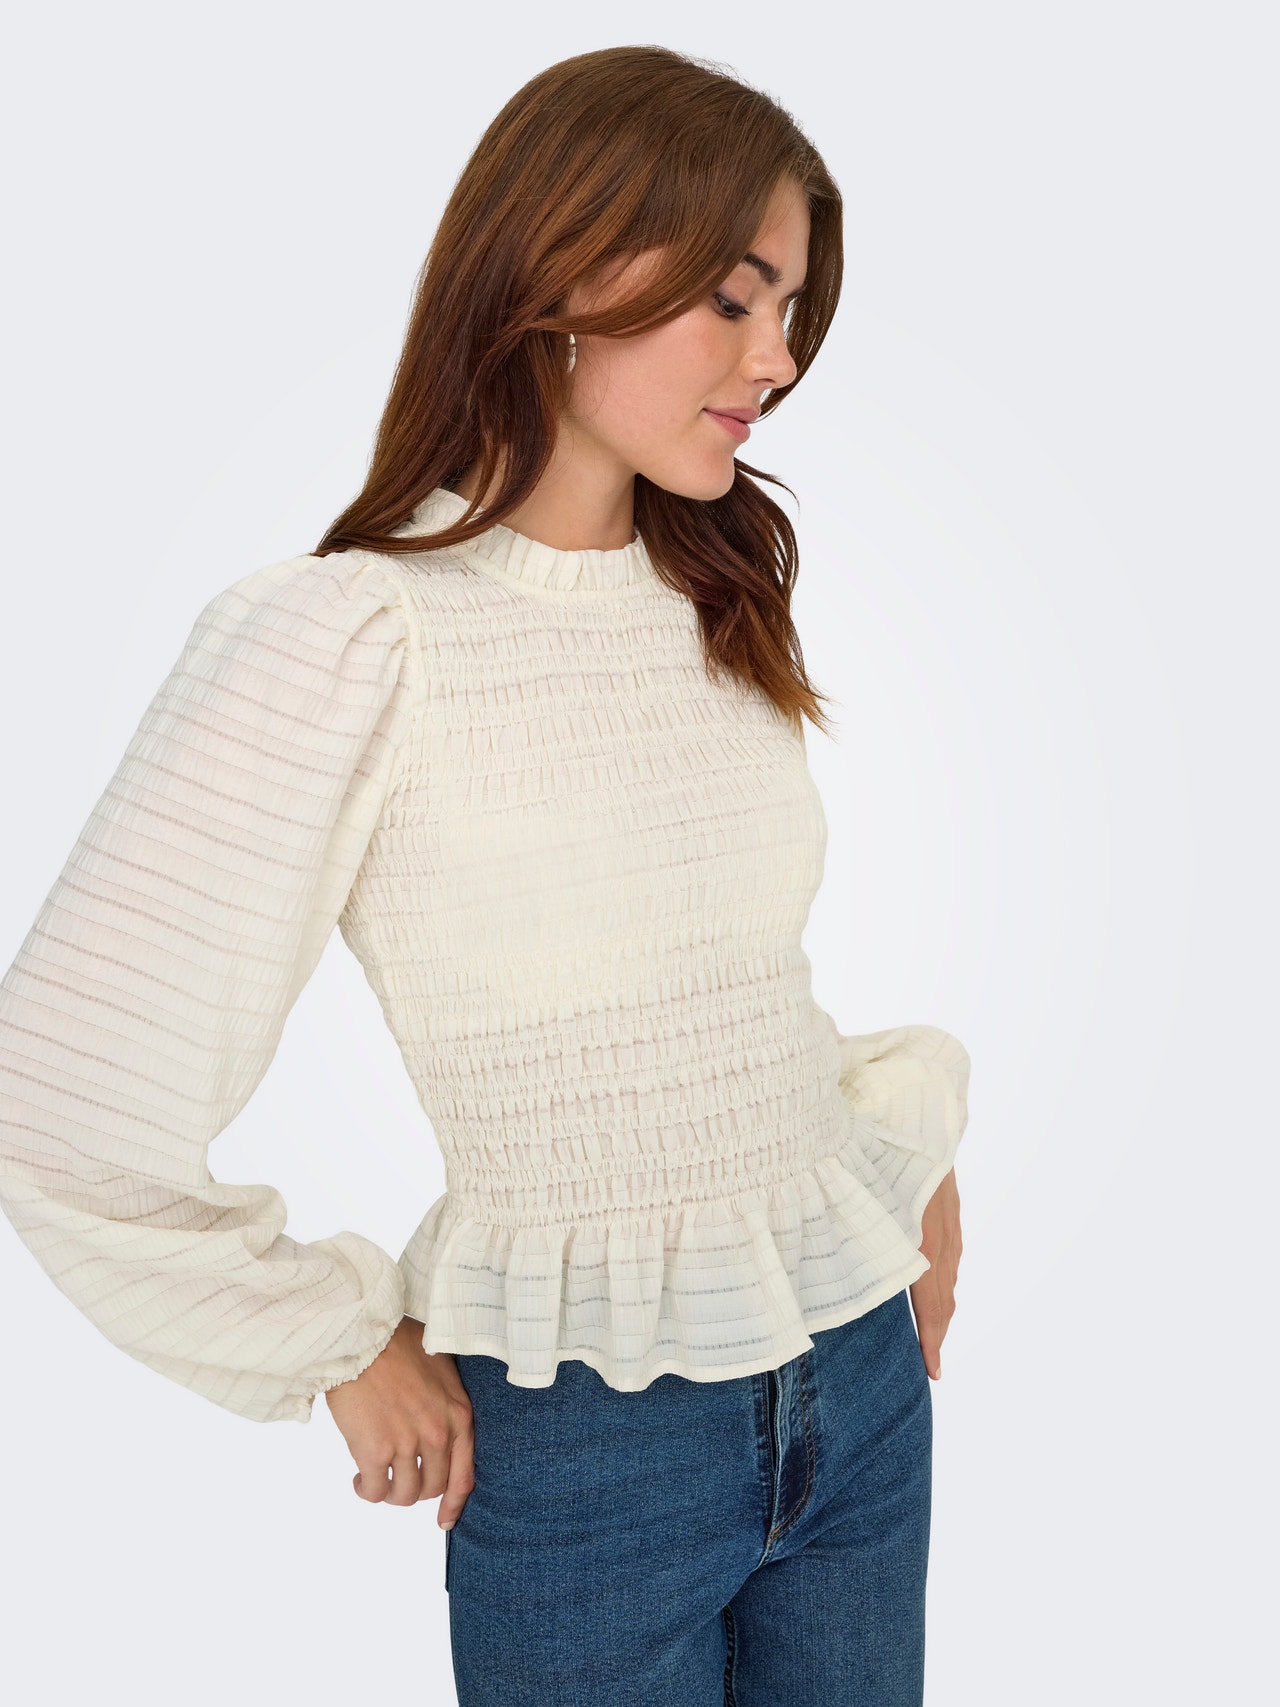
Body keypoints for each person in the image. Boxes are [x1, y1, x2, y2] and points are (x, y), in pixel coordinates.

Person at [0, 43, 970, 1707]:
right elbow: (58, 1090)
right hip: (590, 1447)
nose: (780, 358)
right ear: (567, 274)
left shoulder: (715, 604)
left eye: (793, 308)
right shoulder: (351, 637)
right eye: (734, 300)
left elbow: (725, 990)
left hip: (864, 1382)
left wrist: (907, 1161)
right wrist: (330, 1341)